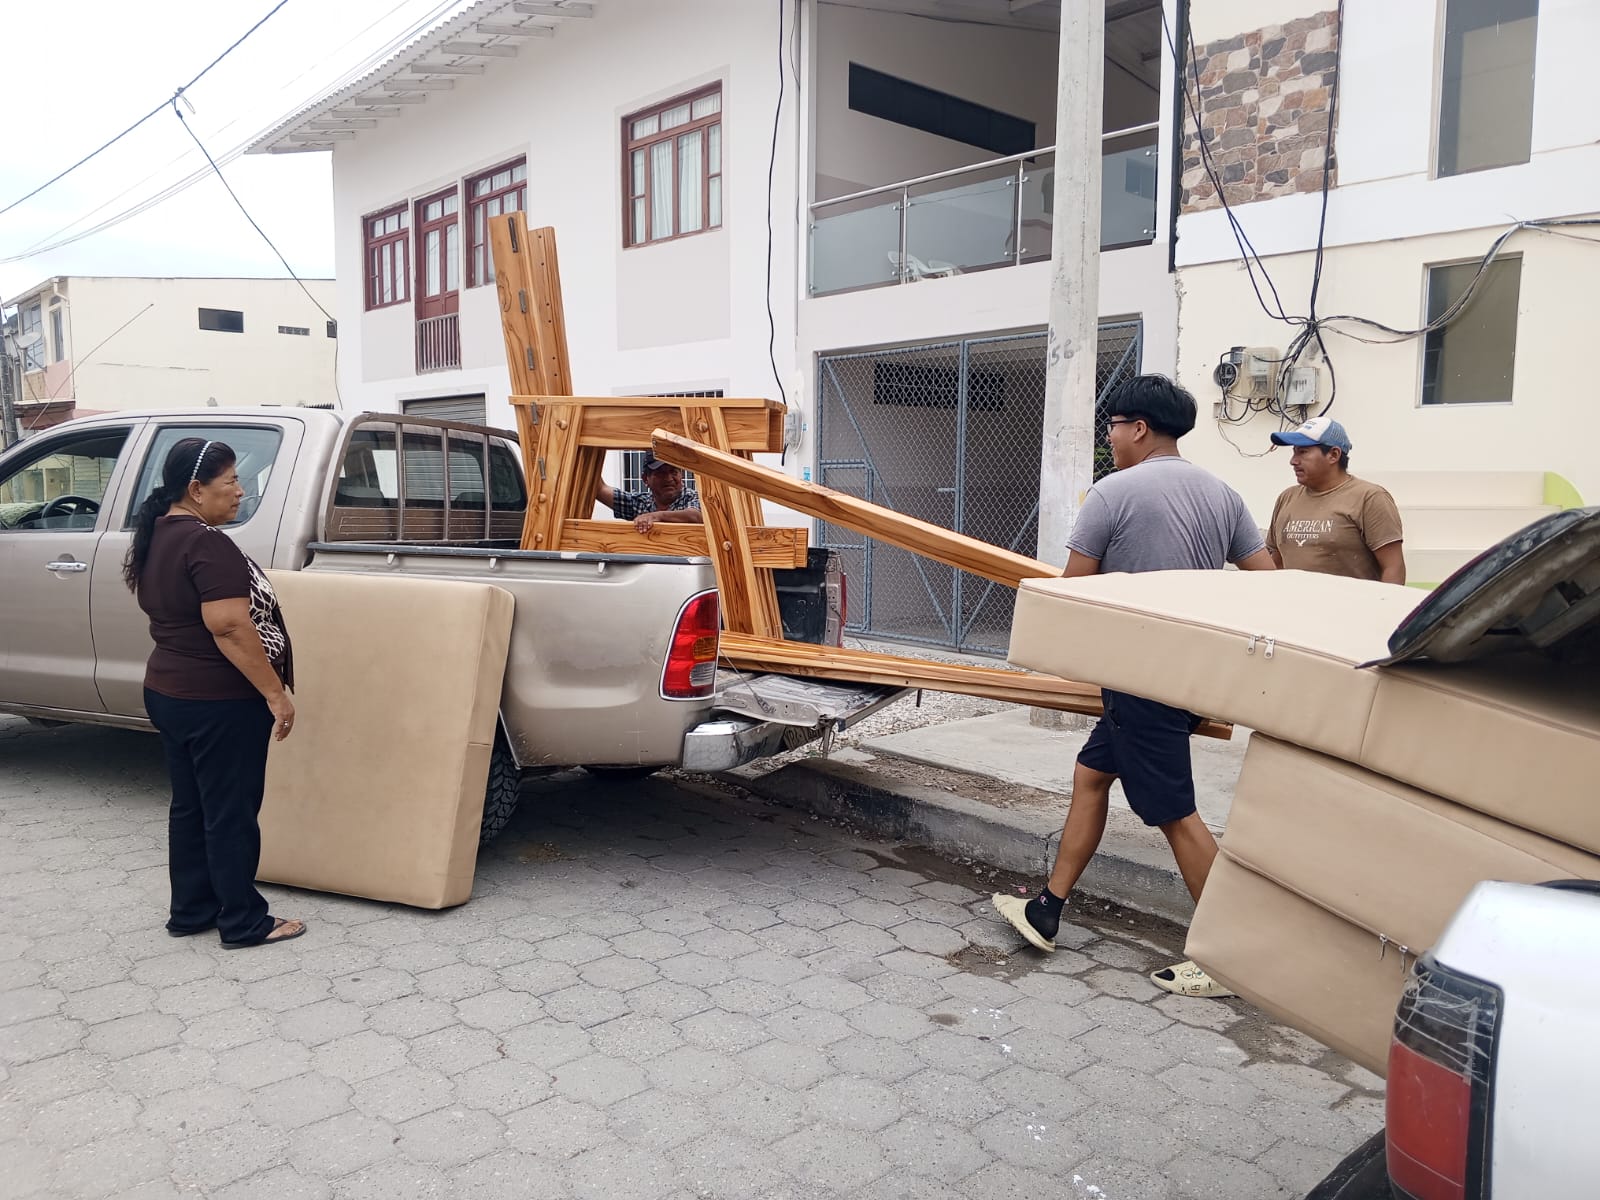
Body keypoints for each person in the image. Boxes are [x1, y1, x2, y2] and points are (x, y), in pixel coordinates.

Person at [991, 375, 1275, 998]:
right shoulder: (1223, 495)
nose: (1110, 438)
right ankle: (1047, 907)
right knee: (1091, 775)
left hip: (1142, 680)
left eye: (1114, 427)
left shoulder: (1113, 492)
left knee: (1175, 813)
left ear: (1139, 428)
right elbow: (1268, 578)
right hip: (1187, 677)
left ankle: (1229, 955)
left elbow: (1073, 590)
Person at [123, 438, 306, 949]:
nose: (241, 492)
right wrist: (275, 694)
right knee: (230, 812)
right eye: (231, 481)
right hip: (218, 700)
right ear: (197, 490)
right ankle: (244, 921)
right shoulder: (206, 543)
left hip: (170, 691)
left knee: (191, 807)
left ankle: (192, 910)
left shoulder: (157, 533)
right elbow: (228, 626)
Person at [1266, 417, 1406, 584]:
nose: (1293, 461)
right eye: (1294, 451)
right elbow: (1276, 562)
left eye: (1303, 452)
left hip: (1352, 601)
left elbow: (1393, 567)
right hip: (1295, 601)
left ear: (1333, 455)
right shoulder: (1287, 498)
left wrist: (1386, 601)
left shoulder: (1370, 498)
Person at [595, 455, 703, 532]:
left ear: (681, 475)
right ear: (645, 479)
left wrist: (656, 516)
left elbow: (695, 517)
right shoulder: (640, 504)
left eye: (673, 472)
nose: (669, 478)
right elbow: (599, 489)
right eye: (661, 473)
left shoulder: (694, 497)